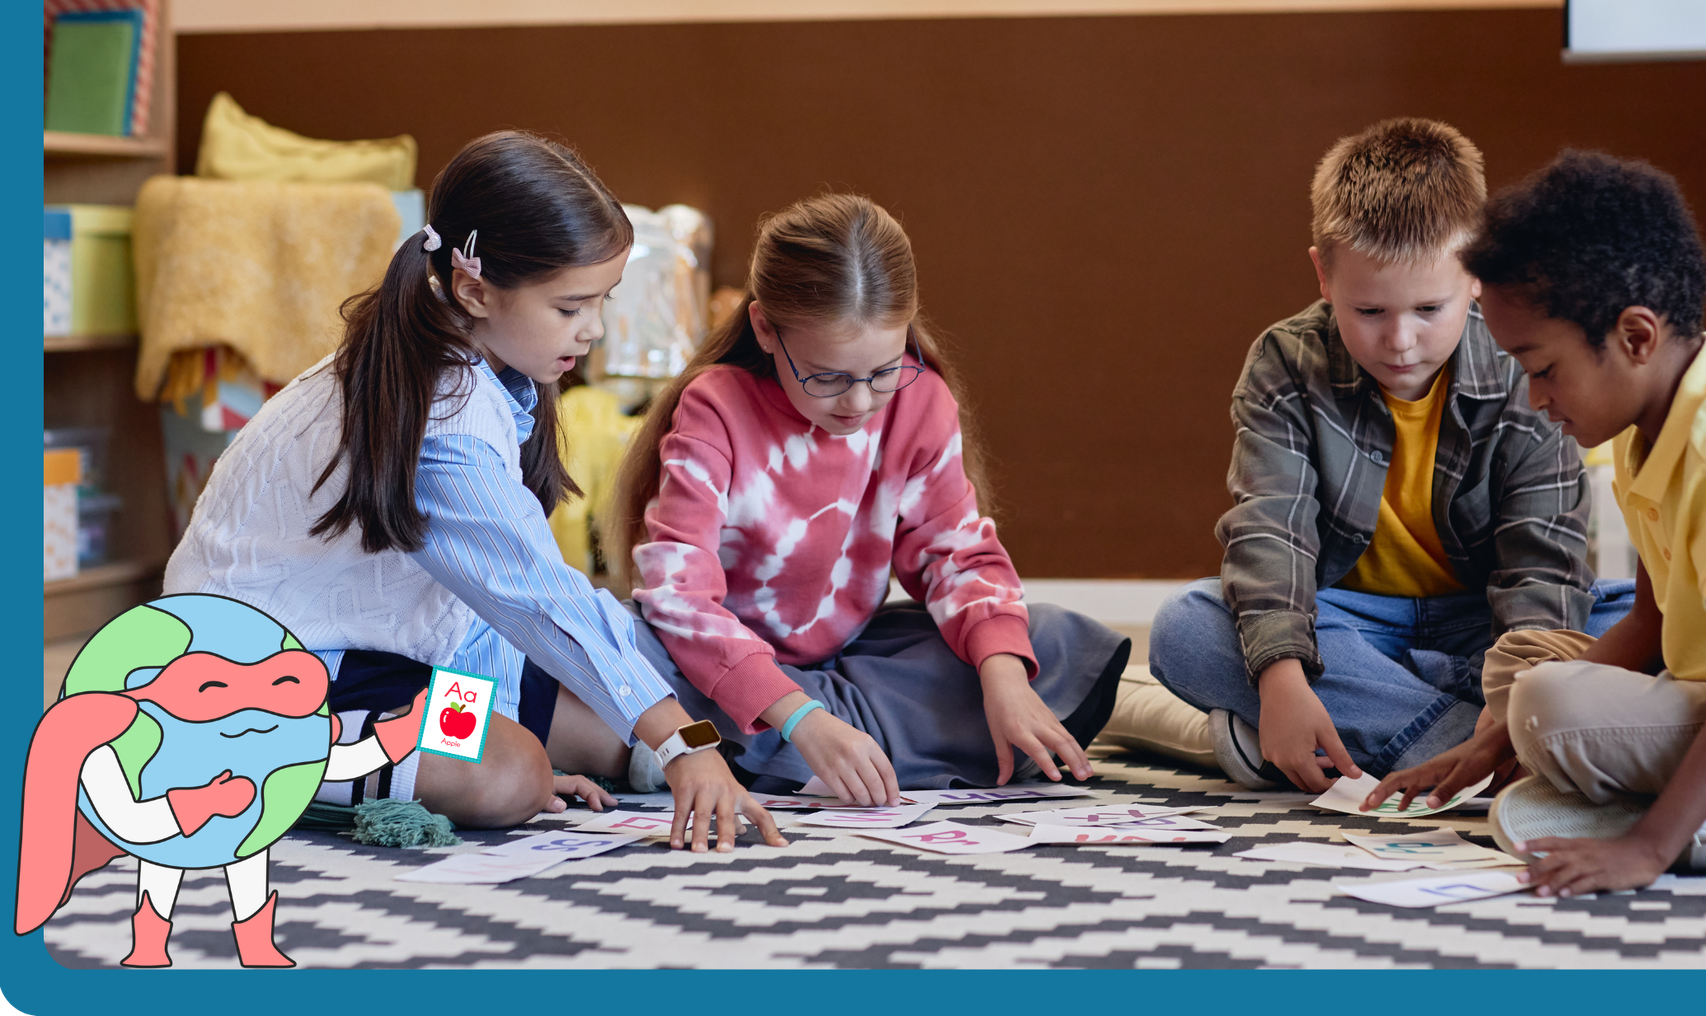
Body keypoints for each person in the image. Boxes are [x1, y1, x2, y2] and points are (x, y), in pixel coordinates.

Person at [166, 131, 784, 851]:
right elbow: (531, 594)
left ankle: (442, 753)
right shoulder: (445, 412)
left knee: (611, 734)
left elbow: (485, 605)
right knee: (510, 774)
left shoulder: (481, 363)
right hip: (259, 677)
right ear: (475, 288)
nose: (594, 330)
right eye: (570, 308)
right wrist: (685, 745)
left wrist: (670, 732)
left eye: (601, 301)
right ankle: (240, 763)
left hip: (381, 655)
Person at [1364, 151, 1706, 896]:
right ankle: (1580, 776)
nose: (1535, 398)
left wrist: (1648, 851)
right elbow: (1650, 620)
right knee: (1526, 666)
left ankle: (1657, 816)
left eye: (1542, 368)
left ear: (1635, 337)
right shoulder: (1649, 430)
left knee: (1548, 701)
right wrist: (1487, 745)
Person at [1143, 118, 1633, 791]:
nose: (1400, 341)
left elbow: (1542, 564)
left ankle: (1372, 728)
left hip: (1481, 623)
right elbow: (1270, 532)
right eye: (1370, 311)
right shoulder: (1287, 362)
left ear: (1479, 273)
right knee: (1189, 628)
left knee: (1644, 618)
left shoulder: (1527, 364)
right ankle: (1484, 754)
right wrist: (1283, 678)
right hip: (1346, 617)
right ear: (1323, 274)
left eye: (1429, 308)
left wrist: (1514, 684)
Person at [617, 193, 1129, 803]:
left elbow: (957, 558)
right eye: (827, 377)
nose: (859, 403)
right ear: (764, 329)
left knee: (1049, 642)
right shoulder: (716, 405)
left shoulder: (923, 399)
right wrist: (802, 717)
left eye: (883, 372)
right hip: (715, 668)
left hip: (846, 664)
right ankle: (777, 742)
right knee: (608, 648)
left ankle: (730, 750)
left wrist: (1005, 683)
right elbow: (679, 599)